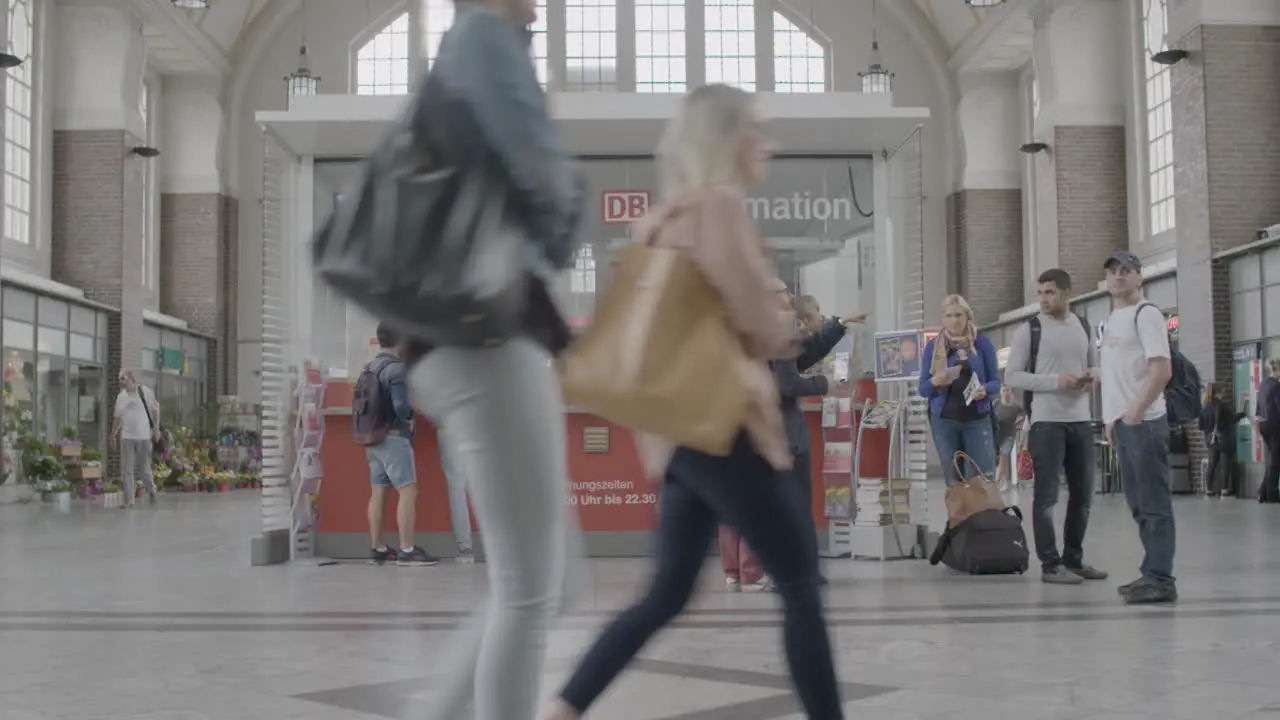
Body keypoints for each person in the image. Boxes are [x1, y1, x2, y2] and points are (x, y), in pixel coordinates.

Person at [538, 84, 844, 720]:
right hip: (725, 428)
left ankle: (562, 708)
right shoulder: (720, 207)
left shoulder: (660, 218)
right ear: (730, 139)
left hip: (678, 438)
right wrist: (774, 308)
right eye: (759, 131)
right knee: (800, 587)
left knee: (665, 595)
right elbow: (762, 328)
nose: (771, 144)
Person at [403, 0, 584, 716]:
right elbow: (542, 182)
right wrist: (567, 210)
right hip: (479, 338)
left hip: (474, 337)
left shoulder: (473, 45)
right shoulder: (485, 37)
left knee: (548, 585)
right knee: (532, 591)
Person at [1004, 268, 1107, 585]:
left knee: (1082, 496)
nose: (1043, 299)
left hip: (1080, 421)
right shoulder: (1030, 330)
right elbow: (1013, 376)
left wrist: (1092, 377)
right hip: (1047, 423)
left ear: (1066, 293)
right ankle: (1050, 564)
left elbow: (1093, 363)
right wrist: (1055, 381)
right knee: (1046, 497)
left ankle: (1073, 559)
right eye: (1040, 293)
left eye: (1049, 292)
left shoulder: (1083, 325)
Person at [1099, 250, 1176, 604]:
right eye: (1113, 271)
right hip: (1124, 425)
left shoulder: (1147, 316)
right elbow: (1120, 374)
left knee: (1154, 504)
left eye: (1126, 271)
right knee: (1139, 505)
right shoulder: (1114, 319)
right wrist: (1112, 420)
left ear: (1139, 277)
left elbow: (1161, 371)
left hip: (1144, 424)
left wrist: (1134, 412)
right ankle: (1150, 573)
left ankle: (1160, 579)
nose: (1118, 276)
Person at [363, 323, 437, 567]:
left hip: (372, 440)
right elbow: (402, 407)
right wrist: (411, 418)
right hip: (394, 438)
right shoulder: (397, 369)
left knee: (378, 493)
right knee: (408, 491)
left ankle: (379, 548)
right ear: (400, 340)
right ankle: (407, 549)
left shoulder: (370, 367)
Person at [918, 294, 1000, 484]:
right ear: (943, 319)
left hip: (977, 420)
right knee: (954, 480)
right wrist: (935, 381)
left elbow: (996, 382)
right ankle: (959, 514)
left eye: (958, 315)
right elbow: (923, 389)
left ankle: (983, 514)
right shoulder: (933, 347)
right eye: (949, 316)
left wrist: (984, 389)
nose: (954, 321)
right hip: (945, 421)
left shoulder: (981, 343)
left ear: (967, 316)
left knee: (981, 479)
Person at [109, 369, 160, 508]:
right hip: (127, 437)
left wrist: (156, 429)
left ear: (132, 378)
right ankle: (129, 500)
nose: (121, 381)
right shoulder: (121, 397)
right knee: (127, 469)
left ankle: (152, 490)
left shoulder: (144, 392)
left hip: (144, 437)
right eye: (119, 379)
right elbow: (118, 417)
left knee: (144, 469)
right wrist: (113, 434)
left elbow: (156, 410)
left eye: (123, 378)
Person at [1198, 382, 1245, 498]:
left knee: (1212, 464)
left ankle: (1208, 489)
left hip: (1210, 439)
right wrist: (1244, 413)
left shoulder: (1204, 407)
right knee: (1225, 465)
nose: (1223, 393)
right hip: (1223, 438)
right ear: (1218, 392)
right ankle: (1224, 490)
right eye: (1222, 391)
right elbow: (1233, 419)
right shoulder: (1221, 405)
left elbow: (1200, 426)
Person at [991, 386, 1023, 490]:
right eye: (1003, 390)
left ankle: (995, 486)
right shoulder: (996, 403)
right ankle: (1003, 480)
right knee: (998, 459)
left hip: (1009, 436)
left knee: (1003, 458)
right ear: (1001, 392)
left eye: (1007, 390)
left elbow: (1025, 416)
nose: (1005, 393)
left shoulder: (1016, 406)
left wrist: (1019, 425)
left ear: (1011, 392)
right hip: (997, 435)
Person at [1258, 359, 1280, 503]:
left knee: (1273, 459)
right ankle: (1271, 494)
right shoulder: (1276, 386)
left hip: (1264, 423)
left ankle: (1263, 492)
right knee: (1275, 461)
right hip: (1275, 425)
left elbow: (1258, 406)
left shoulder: (1263, 384)